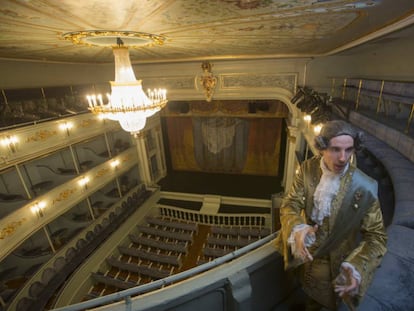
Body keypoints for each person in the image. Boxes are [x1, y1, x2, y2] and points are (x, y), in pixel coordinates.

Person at [275, 120, 387, 310]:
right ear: (321, 148)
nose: (343, 158)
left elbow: (377, 238)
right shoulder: (307, 169)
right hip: (303, 259)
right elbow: (291, 203)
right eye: (335, 149)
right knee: (305, 296)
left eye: (349, 150)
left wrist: (357, 267)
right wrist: (297, 227)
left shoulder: (366, 187)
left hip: (335, 269)